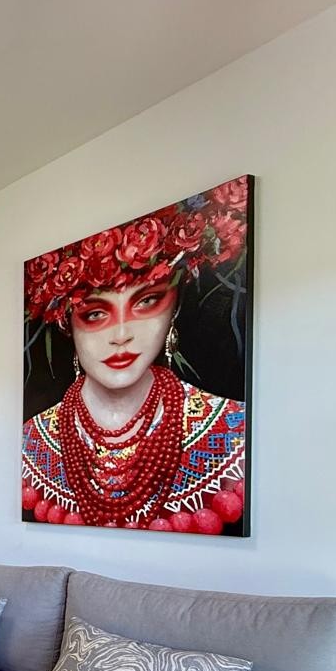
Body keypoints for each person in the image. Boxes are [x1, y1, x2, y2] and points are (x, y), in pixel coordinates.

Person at [21, 179, 248, 532]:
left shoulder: (234, 432)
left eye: (147, 301)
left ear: (173, 309)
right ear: (67, 323)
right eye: (95, 313)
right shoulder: (31, 443)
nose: (121, 334)